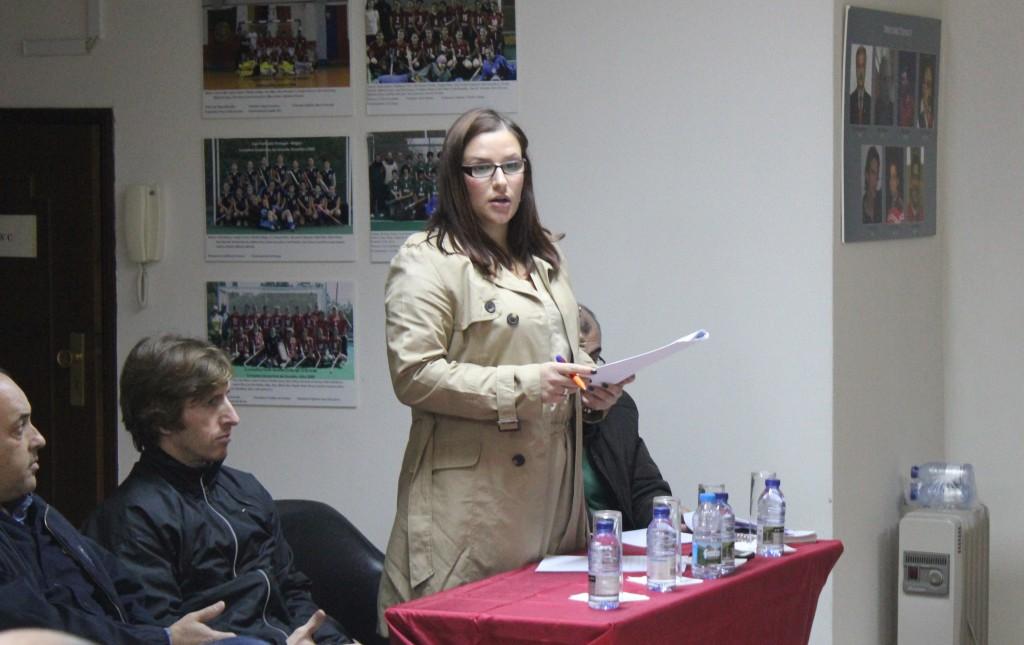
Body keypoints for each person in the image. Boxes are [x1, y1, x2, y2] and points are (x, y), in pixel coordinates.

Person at [377, 108, 632, 634]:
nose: (500, 181)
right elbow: (414, 375)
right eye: (481, 168)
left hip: (554, 500)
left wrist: (589, 389)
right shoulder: (427, 260)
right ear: (455, 177)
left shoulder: (545, 257)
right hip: (476, 506)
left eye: (512, 166)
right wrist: (523, 386)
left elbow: (559, 355)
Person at [83, 336, 353, 644]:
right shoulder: (132, 518)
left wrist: (334, 641)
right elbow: (161, 632)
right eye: (212, 402)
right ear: (162, 420)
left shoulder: (245, 489)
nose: (233, 417)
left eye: (227, 398)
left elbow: (291, 590)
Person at [0, 369, 244, 644]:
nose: (38, 439)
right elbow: (39, 630)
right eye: (20, 428)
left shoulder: (33, 511)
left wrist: (157, 636)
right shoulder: (133, 512)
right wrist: (161, 639)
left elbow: (122, 586)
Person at [577, 305, 672, 531]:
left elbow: (645, 487)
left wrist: (666, 519)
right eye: (578, 361)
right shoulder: (534, 415)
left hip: (616, 544)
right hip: (565, 546)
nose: (591, 371)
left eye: (594, 357)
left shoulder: (618, 407)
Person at [849, 45, 871, 125]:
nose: (861, 72)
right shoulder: (849, 100)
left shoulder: (871, 102)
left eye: (863, 66)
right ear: (855, 68)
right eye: (858, 66)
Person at [862, 146, 882, 224]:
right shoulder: (860, 209)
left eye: (877, 174)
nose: (876, 179)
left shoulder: (881, 202)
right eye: (873, 173)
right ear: (867, 175)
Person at [885, 154, 905, 224]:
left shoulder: (902, 204)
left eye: (893, 177)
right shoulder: (884, 202)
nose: (891, 182)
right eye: (889, 177)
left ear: (898, 180)